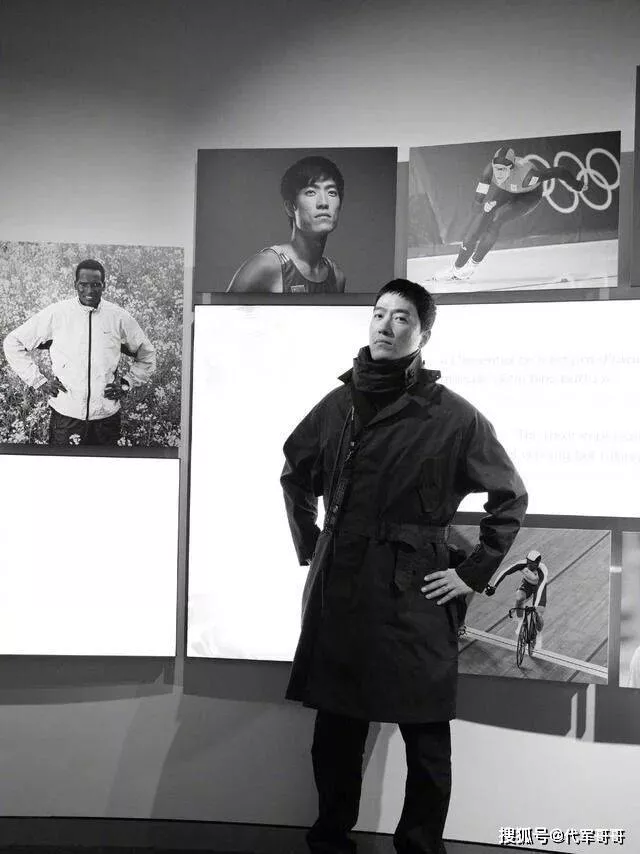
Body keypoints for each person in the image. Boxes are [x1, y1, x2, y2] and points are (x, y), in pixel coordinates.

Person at [281, 279, 528, 854]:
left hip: (415, 590)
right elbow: (295, 472)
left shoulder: (454, 416)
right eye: (379, 313)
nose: (385, 326)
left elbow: (509, 496)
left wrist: (471, 572)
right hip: (343, 586)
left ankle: (420, 846)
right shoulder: (338, 405)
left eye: (401, 318)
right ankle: (330, 839)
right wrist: (310, 542)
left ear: (423, 334)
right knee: (336, 729)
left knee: (426, 733)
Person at [3, 259, 156, 446]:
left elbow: (147, 354)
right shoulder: (57, 313)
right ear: (75, 284)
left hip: (106, 419)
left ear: (104, 285)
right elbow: (13, 342)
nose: (89, 291)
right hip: (66, 418)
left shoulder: (118, 317)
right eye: (83, 285)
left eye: (96, 285)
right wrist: (39, 381)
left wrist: (127, 383)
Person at [435, 145, 588, 282]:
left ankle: (472, 266)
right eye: (497, 169)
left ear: (511, 168)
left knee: (497, 220)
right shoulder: (489, 171)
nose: (499, 173)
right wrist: (482, 207)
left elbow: (559, 171)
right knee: (481, 220)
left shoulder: (529, 176)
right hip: (506, 190)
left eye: (503, 169)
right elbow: (477, 202)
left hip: (529, 196)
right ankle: (456, 268)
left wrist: (577, 185)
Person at [227, 155, 346, 294]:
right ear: (290, 207)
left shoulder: (337, 277)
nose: (323, 203)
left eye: (332, 192)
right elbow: (219, 309)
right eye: (311, 192)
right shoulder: (266, 266)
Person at [485, 549, 548, 650]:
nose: (528, 565)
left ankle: (539, 636)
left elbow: (540, 589)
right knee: (519, 598)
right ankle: (520, 622)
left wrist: (535, 606)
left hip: (539, 587)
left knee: (538, 614)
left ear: (537, 563)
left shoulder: (543, 570)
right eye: (527, 562)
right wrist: (494, 586)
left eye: (531, 564)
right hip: (527, 584)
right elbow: (505, 572)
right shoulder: (522, 564)